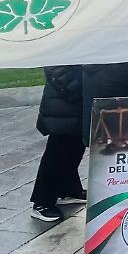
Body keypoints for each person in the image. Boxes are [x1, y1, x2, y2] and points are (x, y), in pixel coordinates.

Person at [30, 66, 87, 222]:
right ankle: (42, 201)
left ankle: (68, 189)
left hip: (75, 97)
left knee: (75, 146)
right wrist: (77, 88)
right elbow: (55, 68)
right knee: (58, 150)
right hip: (66, 98)